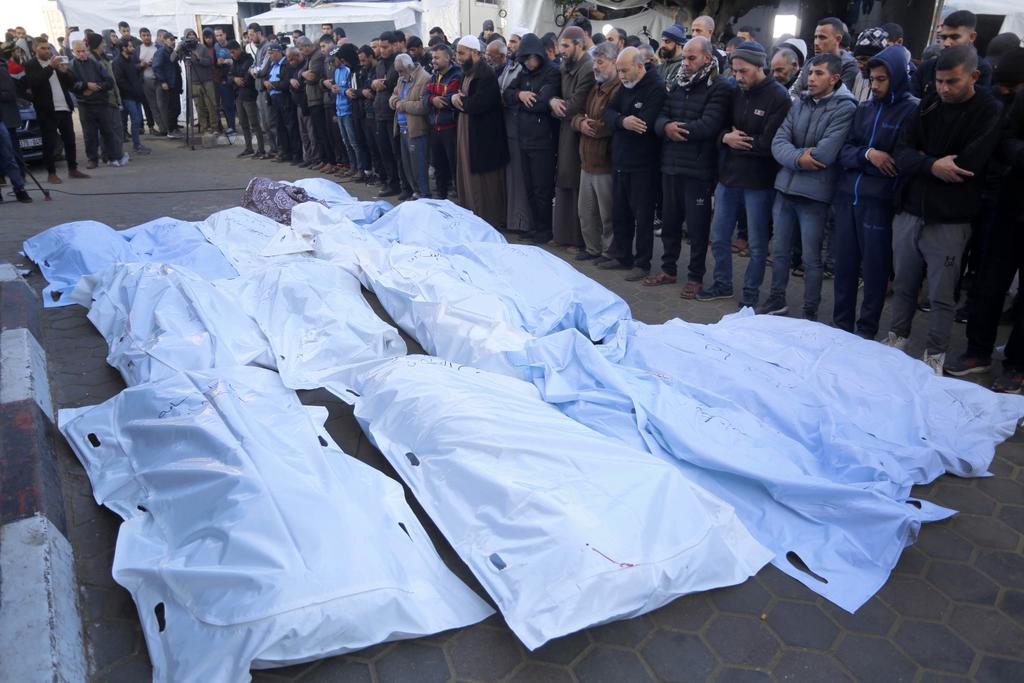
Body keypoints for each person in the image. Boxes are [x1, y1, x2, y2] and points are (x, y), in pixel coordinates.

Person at [886, 44, 1003, 373]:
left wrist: (923, 159)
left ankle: (935, 354)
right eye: (938, 81)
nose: (943, 88)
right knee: (905, 284)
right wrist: (932, 163)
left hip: (951, 219)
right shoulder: (928, 103)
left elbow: (969, 164)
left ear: (974, 76)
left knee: (941, 295)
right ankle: (897, 337)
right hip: (911, 210)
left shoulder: (988, 110)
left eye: (952, 82)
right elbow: (902, 152)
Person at [946, 50, 1024, 389]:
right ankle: (978, 351)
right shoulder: (1016, 100)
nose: (1005, 90)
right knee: (989, 284)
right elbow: (1004, 138)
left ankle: (1017, 366)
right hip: (1011, 205)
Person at [761, 53, 856, 320]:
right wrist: (799, 157)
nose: (811, 78)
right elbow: (778, 142)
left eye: (819, 74)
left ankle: (809, 311)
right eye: (810, 72)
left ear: (835, 78)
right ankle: (777, 299)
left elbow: (825, 154)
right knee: (779, 252)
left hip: (815, 195)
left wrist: (793, 155)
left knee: (812, 259)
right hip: (785, 189)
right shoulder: (800, 102)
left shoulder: (846, 108)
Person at [833, 45, 918, 339]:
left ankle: (866, 331)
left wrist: (864, 159)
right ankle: (840, 326)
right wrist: (869, 155)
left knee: (874, 272)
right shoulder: (864, 108)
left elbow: (897, 162)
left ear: (897, 77)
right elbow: (844, 152)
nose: (876, 85)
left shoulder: (912, 110)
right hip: (848, 199)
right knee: (844, 267)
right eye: (873, 79)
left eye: (882, 79)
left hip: (879, 204)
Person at [650, 36, 732, 297]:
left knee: (697, 228)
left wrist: (676, 129)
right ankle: (668, 269)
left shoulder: (718, 87)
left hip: (698, 169)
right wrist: (665, 126)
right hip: (671, 165)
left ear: (707, 58)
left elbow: (709, 125)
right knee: (670, 223)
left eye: (691, 58)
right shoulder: (676, 83)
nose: (685, 62)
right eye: (684, 57)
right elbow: (660, 115)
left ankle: (696, 276)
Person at [597, 46, 667, 280]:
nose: (621, 76)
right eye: (618, 71)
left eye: (625, 70)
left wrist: (622, 121)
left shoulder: (655, 88)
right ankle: (623, 255)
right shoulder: (624, 87)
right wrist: (622, 121)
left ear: (640, 66)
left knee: (643, 216)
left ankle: (643, 262)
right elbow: (608, 112)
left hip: (643, 164)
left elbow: (643, 125)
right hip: (620, 160)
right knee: (620, 212)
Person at [504, 33, 562, 243]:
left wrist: (524, 97)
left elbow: (539, 103)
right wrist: (520, 95)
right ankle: (536, 226)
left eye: (530, 58)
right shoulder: (524, 73)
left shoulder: (552, 72)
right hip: (524, 138)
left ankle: (544, 229)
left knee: (542, 188)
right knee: (529, 186)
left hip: (543, 140)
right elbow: (508, 94)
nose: (528, 62)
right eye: (524, 59)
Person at [451, 34, 509, 227]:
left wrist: (459, 101)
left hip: (483, 137)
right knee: (467, 177)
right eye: (457, 53)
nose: (458, 57)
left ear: (475, 53)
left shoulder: (486, 75)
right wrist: (454, 99)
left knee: (484, 184)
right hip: (467, 131)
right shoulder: (467, 72)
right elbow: (461, 97)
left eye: (462, 53)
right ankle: (472, 217)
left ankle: (487, 222)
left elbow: (479, 104)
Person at [572, 41, 620, 262]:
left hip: (605, 162)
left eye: (600, 62)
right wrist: (580, 123)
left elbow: (610, 124)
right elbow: (576, 114)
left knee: (608, 214)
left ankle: (609, 252)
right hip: (587, 160)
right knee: (586, 211)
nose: (596, 67)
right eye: (594, 62)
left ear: (614, 62)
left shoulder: (617, 89)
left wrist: (590, 126)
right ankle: (593, 248)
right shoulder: (595, 87)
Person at [550, 26, 594, 248]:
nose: (562, 51)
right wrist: (552, 101)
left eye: (566, 46)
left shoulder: (587, 68)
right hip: (567, 130)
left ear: (579, 44)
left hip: (579, 134)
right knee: (565, 181)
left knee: (576, 183)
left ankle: (577, 238)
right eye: (561, 46)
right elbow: (556, 94)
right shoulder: (565, 65)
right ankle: (564, 234)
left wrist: (559, 105)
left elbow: (576, 103)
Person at [22, 38, 87, 182]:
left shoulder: (56, 62)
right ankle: (51, 173)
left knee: (70, 140)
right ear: (35, 48)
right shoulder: (30, 64)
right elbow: (35, 83)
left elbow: (71, 83)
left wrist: (64, 72)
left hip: (64, 106)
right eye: (43, 48)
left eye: (48, 48)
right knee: (49, 142)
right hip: (47, 110)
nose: (47, 51)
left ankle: (73, 169)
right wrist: (50, 67)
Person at [71, 39, 127, 167]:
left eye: (83, 51)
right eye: (78, 51)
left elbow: (109, 81)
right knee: (89, 134)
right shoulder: (72, 66)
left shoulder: (95, 64)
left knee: (108, 131)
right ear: (73, 52)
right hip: (84, 104)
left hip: (100, 102)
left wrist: (97, 87)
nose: (81, 54)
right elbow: (71, 84)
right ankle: (92, 159)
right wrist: (85, 86)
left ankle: (112, 157)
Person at [912, 10, 993, 99]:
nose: (947, 43)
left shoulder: (982, 69)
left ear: (971, 37)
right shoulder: (926, 67)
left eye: (954, 37)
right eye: (944, 37)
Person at [498, 28, 531, 233]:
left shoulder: (523, 69)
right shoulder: (508, 66)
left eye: (514, 41)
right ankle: (512, 219)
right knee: (510, 176)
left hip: (518, 128)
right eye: (509, 41)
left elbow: (511, 95)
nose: (510, 45)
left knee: (519, 177)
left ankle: (521, 222)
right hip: (506, 127)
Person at [389, 53, 431, 197]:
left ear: (409, 66)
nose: (399, 74)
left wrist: (404, 105)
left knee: (418, 166)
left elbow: (424, 106)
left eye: (401, 70)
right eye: (397, 71)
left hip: (416, 129)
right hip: (402, 128)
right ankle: (416, 192)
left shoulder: (424, 78)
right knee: (407, 166)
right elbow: (393, 97)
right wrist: (396, 103)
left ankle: (424, 194)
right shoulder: (401, 79)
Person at [424, 43, 461, 198]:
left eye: (437, 57)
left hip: (450, 128)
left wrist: (433, 99)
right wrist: (433, 99)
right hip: (435, 128)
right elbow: (424, 97)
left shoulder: (457, 75)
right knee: (438, 167)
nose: (433, 60)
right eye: (433, 57)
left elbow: (448, 100)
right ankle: (441, 198)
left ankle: (460, 198)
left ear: (448, 57)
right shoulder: (433, 76)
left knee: (454, 166)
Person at [790, 17, 859, 97]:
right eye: (815, 37)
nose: (816, 42)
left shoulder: (849, 66)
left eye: (822, 37)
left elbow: (836, 98)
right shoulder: (810, 63)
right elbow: (793, 93)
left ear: (838, 39)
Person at [329, 44, 368, 179]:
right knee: (346, 141)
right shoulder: (336, 71)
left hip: (348, 110)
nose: (332, 64)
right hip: (339, 110)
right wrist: (335, 89)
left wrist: (340, 90)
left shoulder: (347, 70)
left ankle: (360, 168)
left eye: (333, 60)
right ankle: (352, 166)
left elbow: (350, 90)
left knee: (354, 142)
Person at [372, 31, 402, 197]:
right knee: (384, 151)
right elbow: (376, 82)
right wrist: (375, 82)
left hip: (393, 114)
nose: (382, 50)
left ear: (394, 45)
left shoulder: (398, 61)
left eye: (385, 47)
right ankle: (392, 183)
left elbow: (391, 82)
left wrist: (381, 83)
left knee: (396, 151)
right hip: (380, 111)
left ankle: (403, 184)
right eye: (380, 47)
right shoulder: (380, 63)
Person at [112, 37, 151, 155]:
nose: (132, 48)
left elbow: (134, 74)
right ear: (123, 48)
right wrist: (132, 91)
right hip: (127, 96)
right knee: (134, 120)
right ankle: (136, 145)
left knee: (138, 120)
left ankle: (137, 143)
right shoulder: (118, 62)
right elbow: (120, 81)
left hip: (136, 95)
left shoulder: (130, 59)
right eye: (130, 46)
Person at [296, 36, 328, 170]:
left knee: (322, 133)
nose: (301, 53)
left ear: (307, 46)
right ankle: (324, 160)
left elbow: (312, 77)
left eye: (302, 49)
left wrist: (303, 75)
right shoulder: (310, 57)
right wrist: (303, 74)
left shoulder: (317, 57)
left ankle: (328, 160)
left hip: (318, 98)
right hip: (311, 99)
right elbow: (300, 73)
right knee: (317, 133)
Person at [229, 40, 264, 158]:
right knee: (243, 123)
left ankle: (261, 148)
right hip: (239, 95)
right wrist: (235, 79)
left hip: (249, 95)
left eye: (233, 52)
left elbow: (247, 77)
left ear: (238, 49)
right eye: (230, 53)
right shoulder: (235, 61)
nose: (232, 54)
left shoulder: (248, 60)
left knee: (254, 123)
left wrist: (237, 79)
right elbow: (229, 76)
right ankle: (249, 147)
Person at [246, 23, 276, 156]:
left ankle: (277, 149)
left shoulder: (267, 47)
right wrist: (253, 70)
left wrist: (255, 71)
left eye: (252, 34)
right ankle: (273, 149)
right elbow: (252, 66)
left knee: (270, 122)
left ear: (259, 33)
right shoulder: (258, 49)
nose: (250, 38)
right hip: (259, 89)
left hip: (266, 90)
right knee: (264, 123)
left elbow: (262, 69)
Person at [357, 45, 382, 182]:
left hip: (376, 112)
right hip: (367, 112)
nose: (362, 63)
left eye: (364, 60)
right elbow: (361, 89)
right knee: (372, 146)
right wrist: (362, 92)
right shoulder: (364, 71)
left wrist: (369, 91)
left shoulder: (378, 70)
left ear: (371, 57)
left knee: (379, 147)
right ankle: (377, 173)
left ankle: (383, 175)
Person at [185, 28, 218, 134]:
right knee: (199, 106)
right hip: (194, 81)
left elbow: (209, 61)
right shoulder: (185, 49)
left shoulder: (202, 47)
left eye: (192, 34)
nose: (191, 36)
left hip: (206, 80)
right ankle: (204, 128)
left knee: (211, 104)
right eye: (188, 35)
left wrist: (199, 59)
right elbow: (175, 59)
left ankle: (215, 127)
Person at [152, 31, 182, 138]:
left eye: (174, 39)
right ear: (164, 40)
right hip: (167, 84)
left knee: (176, 108)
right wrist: (163, 81)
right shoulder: (161, 52)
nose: (173, 42)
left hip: (174, 84)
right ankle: (171, 130)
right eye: (171, 39)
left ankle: (175, 127)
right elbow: (157, 67)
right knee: (170, 108)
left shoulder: (171, 52)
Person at [851, 28, 888, 102]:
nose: (860, 66)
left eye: (864, 59)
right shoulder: (859, 76)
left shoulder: (892, 83)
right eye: (857, 60)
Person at [137, 28, 160, 135]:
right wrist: (141, 65)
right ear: (140, 37)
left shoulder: (157, 47)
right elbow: (133, 65)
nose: (147, 37)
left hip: (158, 80)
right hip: (145, 81)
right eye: (144, 35)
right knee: (149, 105)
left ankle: (163, 125)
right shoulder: (138, 49)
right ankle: (151, 126)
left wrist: (155, 62)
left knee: (161, 103)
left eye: (148, 35)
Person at [212, 28, 235, 134]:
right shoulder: (215, 47)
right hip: (223, 78)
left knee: (240, 104)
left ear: (225, 34)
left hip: (235, 76)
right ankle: (231, 126)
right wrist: (219, 62)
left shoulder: (232, 44)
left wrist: (230, 61)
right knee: (227, 104)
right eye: (217, 36)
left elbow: (239, 58)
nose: (219, 38)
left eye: (221, 35)